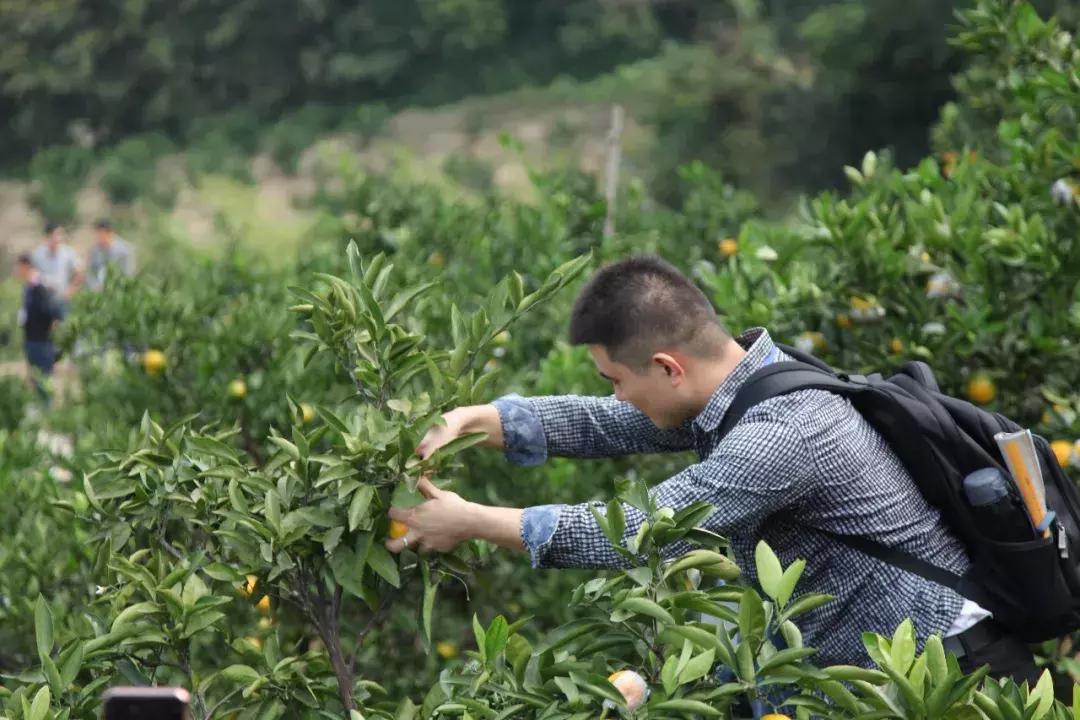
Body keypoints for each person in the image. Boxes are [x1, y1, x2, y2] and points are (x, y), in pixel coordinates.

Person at [388, 255, 1044, 683]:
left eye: (617, 379)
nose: (616, 394)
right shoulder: (751, 385)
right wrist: (477, 420)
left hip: (953, 677)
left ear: (669, 367)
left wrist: (469, 521)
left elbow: (641, 528)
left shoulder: (781, 435)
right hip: (890, 669)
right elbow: (601, 421)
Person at [15, 254, 60, 403]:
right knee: (35, 380)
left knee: (44, 380)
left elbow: (52, 312)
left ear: (26, 266)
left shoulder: (42, 287)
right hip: (31, 339)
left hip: (43, 340)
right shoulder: (28, 288)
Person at [31, 222, 82, 318]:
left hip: (62, 300)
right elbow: (32, 275)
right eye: (56, 234)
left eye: (60, 234)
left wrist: (71, 290)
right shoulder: (38, 254)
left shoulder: (68, 252)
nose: (59, 238)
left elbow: (79, 273)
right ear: (48, 236)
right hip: (43, 300)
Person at [87, 219, 136, 291]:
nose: (98, 238)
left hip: (119, 290)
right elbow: (90, 272)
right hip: (99, 292)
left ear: (109, 233)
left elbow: (128, 272)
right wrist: (95, 286)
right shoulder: (95, 251)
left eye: (101, 234)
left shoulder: (124, 250)